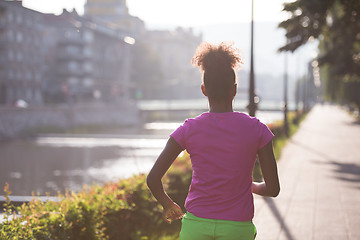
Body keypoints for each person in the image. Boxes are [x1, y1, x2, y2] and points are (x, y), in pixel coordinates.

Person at [146, 42, 280, 240]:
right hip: (237, 229)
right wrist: (249, 185)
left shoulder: (189, 129)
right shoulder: (257, 129)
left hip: (196, 228)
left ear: (204, 90)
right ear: (234, 90)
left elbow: (153, 178)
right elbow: (273, 189)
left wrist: (168, 204)